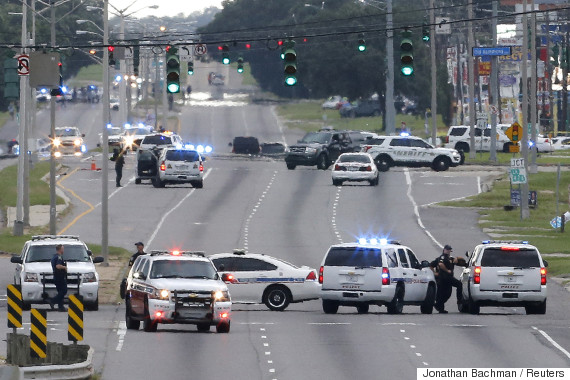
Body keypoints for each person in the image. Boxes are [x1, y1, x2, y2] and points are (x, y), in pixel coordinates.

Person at [431, 244, 463, 314]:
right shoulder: (442, 257)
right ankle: (460, 300)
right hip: (444, 277)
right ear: (444, 250)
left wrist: (457, 260)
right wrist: (446, 270)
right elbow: (440, 264)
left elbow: (458, 262)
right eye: (447, 250)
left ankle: (439, 307)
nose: (448, 251)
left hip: (447, 278)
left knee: (446, 294)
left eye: (449, 250)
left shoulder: (450, 258)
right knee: (459, 284)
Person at [49, 244, 67, 312]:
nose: (63, 250)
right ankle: (52, 301)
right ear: (60, 249)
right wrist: (64, 267)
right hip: (59, 277)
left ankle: (61, 307)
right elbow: (58, 266)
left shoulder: (54, 257)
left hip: (56, 276)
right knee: (64, 291)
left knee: (60, 292)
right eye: (63, 249)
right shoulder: (59, 257)